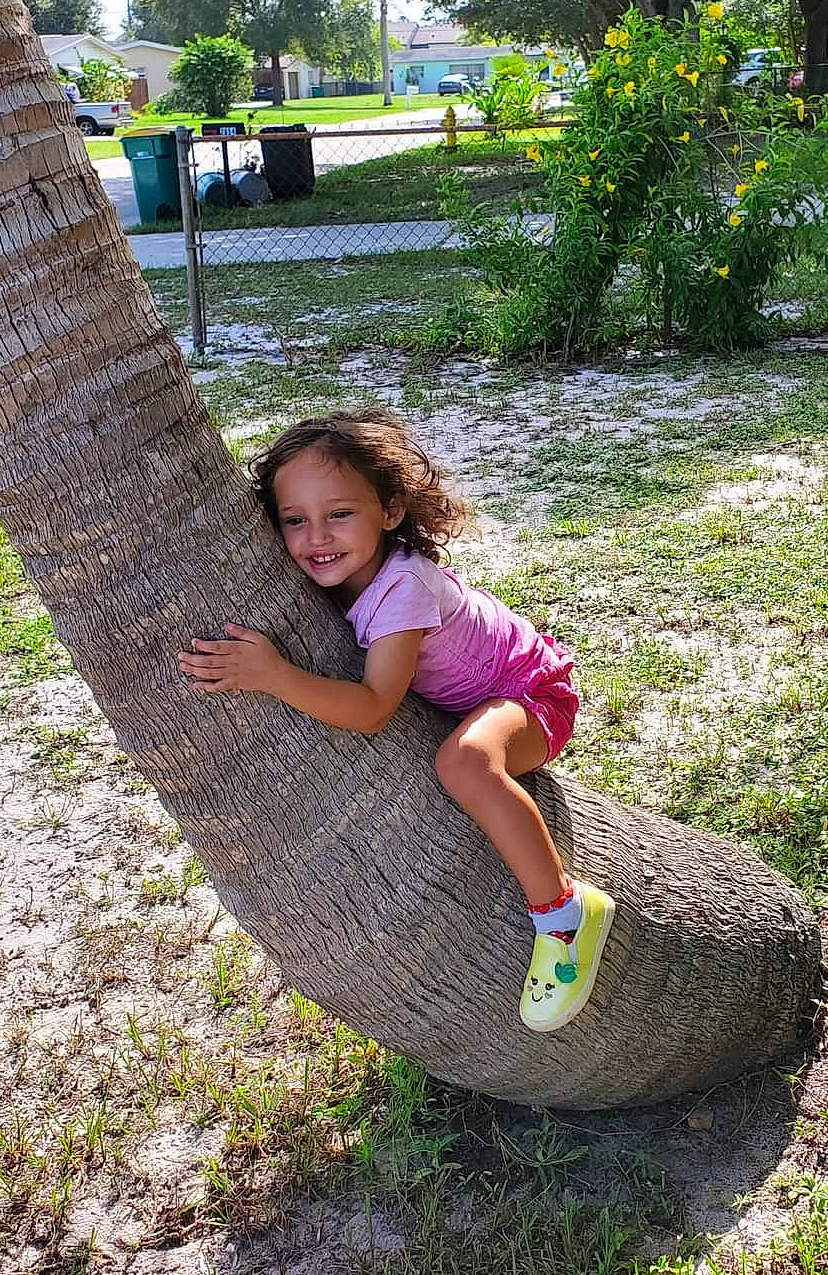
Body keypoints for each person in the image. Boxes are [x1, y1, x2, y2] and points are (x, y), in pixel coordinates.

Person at [176, 410, 614, 1033]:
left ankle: (565, 913)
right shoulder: (340, 577)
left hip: (530, 693)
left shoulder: (401, 587)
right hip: (472, 695)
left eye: (340, 514)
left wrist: (274, 675)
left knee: (463, 763)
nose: (316, 537)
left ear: (389, 510)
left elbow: (376, 707)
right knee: (459, 758)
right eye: (294, 521)